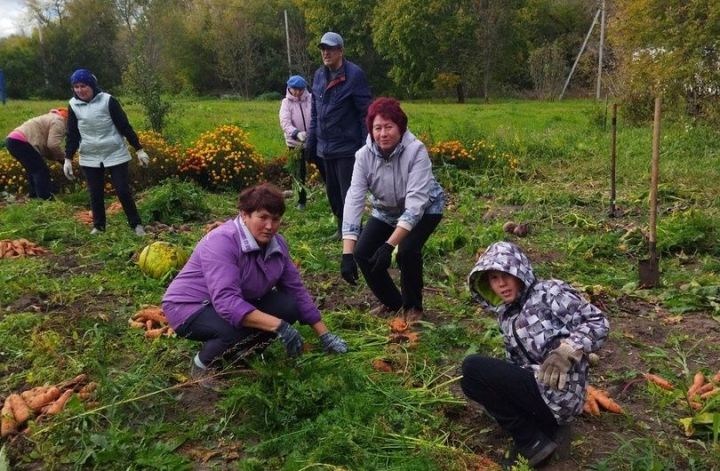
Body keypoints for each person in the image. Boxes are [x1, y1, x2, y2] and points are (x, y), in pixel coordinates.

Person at [162, 183, 347, 384]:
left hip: (232, 302)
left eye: (275, 219)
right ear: (244, 215)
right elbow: (226, 301)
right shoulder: (222, 241)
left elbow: (295, 290)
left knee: (288, 307)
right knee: (236, 328)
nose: (270, 226)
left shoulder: (278, 245)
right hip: (189, 308)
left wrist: (325, 335)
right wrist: (279, 326)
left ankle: (240, 354)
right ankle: (203, 365)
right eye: (263, 217)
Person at [461, 241, 609, 467]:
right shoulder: (507, 316)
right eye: (493, 278)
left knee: (472, 366)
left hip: (561, 392)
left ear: (519, 271)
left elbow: (598, 322)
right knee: (470, 383)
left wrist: (568, 350)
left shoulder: (549, 292)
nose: (501, 284)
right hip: (538, 387)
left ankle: (529, 440)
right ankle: (539, 435)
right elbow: (516, 362)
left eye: (505, 274)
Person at [340, 98, 444, 321]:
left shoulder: (416, 151)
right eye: (377, 128)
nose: (383, 134)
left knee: (407, 250)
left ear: (400, 128)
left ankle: (413, 307)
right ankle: (394, 303)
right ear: (371, 130)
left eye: (389, 127)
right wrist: (347, 253)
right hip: (387, 209)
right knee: (363, 252)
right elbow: (354, 199)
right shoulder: (363, 156)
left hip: (426, 208)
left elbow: (415, 206)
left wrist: (389, 246)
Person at [63, 68, 149, 236]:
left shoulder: (108, 101)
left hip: (115, 152)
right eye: (76, 86)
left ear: (92, 85)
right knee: (95, 193)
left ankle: (136, 224)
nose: (80, 90)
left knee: (123, 190)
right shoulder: (73, 105)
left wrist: (139, 149)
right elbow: (72, 134)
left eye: (83, 86)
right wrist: (67, 158)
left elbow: (124, 126)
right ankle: (99, 226)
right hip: (90, 155)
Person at [307, 31, 372, 240]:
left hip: (347, 147)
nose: (326, 53)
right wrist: (311, 141)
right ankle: (341, 229)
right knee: (333, 194)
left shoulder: (354, 75)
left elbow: (365, 113)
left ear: (340, 51)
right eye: (323, 49)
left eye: (330, 49)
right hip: (325, 148)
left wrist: (365, 146)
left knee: (349, 195)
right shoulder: (319, 75)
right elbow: (315, 111)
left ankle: (355, 233)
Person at [5, 108, 68, 200]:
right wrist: (63, 160)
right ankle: (45, 198)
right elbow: (53, 145)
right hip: (21, 141)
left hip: (12, 140)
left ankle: (34, 196)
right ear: (67, 118)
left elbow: (46, 145)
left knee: (33, 170)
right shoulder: (59, 121)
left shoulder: (50, 117)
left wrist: (57, 158)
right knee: (40, 170)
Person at [279, 75, 312, 210]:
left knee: (325, 168)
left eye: (300, 89)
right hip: (296, 144)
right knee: (299, 173)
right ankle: (301, 201)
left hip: (312, 141)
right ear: (289, 88)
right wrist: (296, 133)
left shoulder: (311, 99)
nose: (297, 92)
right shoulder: (286, 103)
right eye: (295, 89)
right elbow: (285, 122)